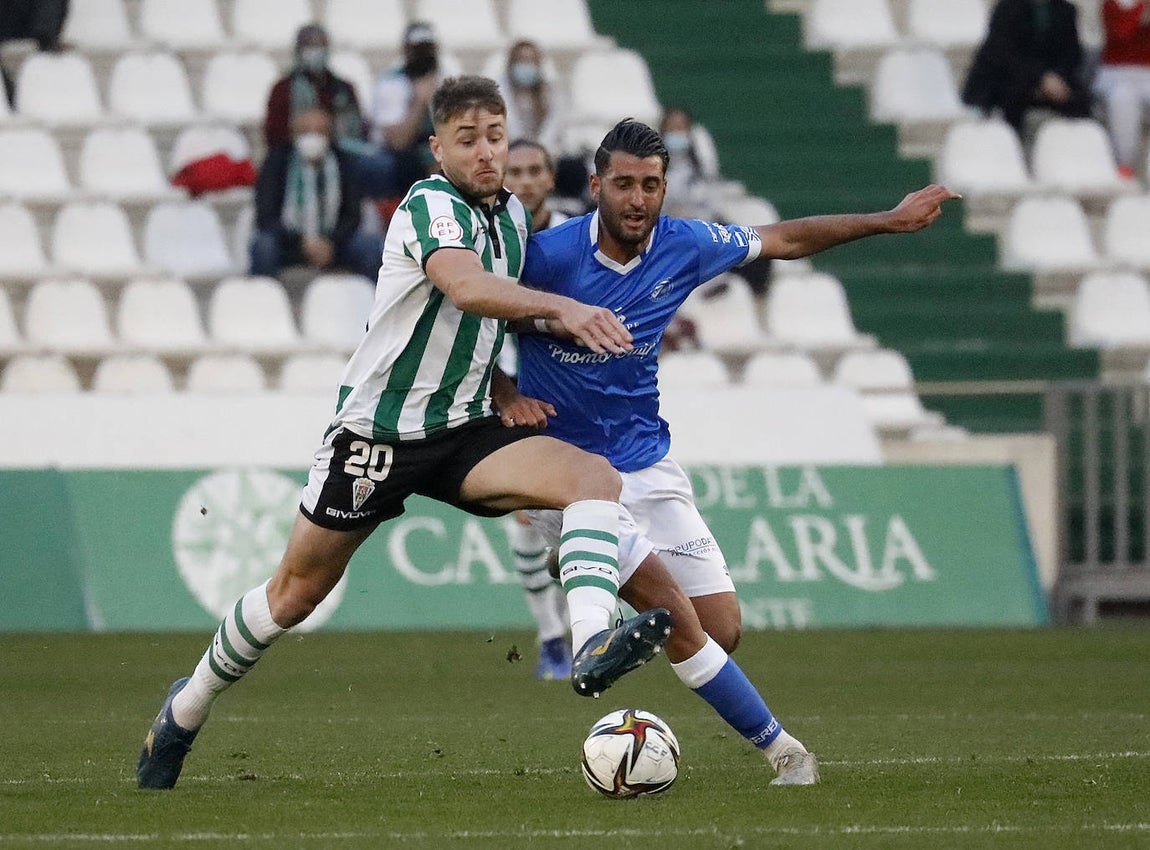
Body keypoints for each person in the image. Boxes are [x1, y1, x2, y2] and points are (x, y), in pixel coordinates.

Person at [137, 77, 678, 791]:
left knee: (593, 480)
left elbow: (495, 320)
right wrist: (565, 309)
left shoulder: (513, 216)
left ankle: (587, 643)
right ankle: (185, 709)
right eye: (468, 140)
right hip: (378, 435)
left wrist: (511, 382)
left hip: (463, 430)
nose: (486, 152)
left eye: (495, 136)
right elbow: (466, 288)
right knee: (293, 596)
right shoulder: (429, 205)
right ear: (437, 148)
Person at [495, 119, 960, 787]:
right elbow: (461, 322)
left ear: (665, 190)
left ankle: (589, 574)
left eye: (650, 186)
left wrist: (887, 220)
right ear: (596, 186)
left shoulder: (684, 244)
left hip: (646, 462)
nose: (636, 199)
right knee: (678, 620)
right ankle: (786, 754)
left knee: (720, 627)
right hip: (567, 473)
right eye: (623, 184)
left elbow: (786, 238)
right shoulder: (543, 257)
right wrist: (506, 390)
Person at [500, 139, 572, 680]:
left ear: (549, 178)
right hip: (513, 396)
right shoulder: (492, 237)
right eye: (514, 172)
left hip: (576, 394)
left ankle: (584, 628)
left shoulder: (581, 233)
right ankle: (551, 636)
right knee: (525, 522)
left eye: (534, 170)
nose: (524, 181)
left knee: (589, 517)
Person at [249, 106, 384, 282]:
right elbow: (266, 216)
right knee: (263, 246)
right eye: (306, 131)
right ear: (294, 134)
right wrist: (302, 243)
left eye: (320, 131)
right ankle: (263, 303)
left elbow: (352, 215)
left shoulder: (344, 163)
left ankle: (380, 305)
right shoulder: (277, 162)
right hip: (289, 243)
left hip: (334, 243)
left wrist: (330, 243)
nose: (313, 137)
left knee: (370, 247)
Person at [263, 23, 398, 198]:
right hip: (295, 152)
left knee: (380, 164)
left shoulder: (343, 88)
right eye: (310, 46)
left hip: (342, 151)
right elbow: (273, 134)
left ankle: (367, 214)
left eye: (320, 45)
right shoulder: (283, 89)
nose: (316, 51)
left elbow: (358, 128)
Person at [962, 0, 1092, 139]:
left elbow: (1072, 54)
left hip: (1053, 79)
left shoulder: (1066, 10)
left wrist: (1057, 77)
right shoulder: (1007, 8)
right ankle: (1011, 144)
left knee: (1079, 98)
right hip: (1008, 77)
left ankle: (1074, 146)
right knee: (1014, 94)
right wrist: (1040, 79)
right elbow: (1003, 54)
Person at [367, 21, 443, 201]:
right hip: (397, 155)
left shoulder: (447, 79)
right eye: (418, 49)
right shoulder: (391, 84)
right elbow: (398, 142)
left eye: (427, 48)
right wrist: (419, 102)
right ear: (407, 50)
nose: (424, 55)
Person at [1093, 0, 1150, 180]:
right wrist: (1142, 10)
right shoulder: (1111, 4)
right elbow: (1120, 33)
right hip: (1116, 74)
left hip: (1146, 73)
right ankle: (1124, 164)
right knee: (1122, 100)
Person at [659, 106, 721, 219]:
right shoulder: (656, 170)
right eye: (672, 127)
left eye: (681, 127)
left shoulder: (701, 172)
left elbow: (711, 203)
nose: (677, 132)